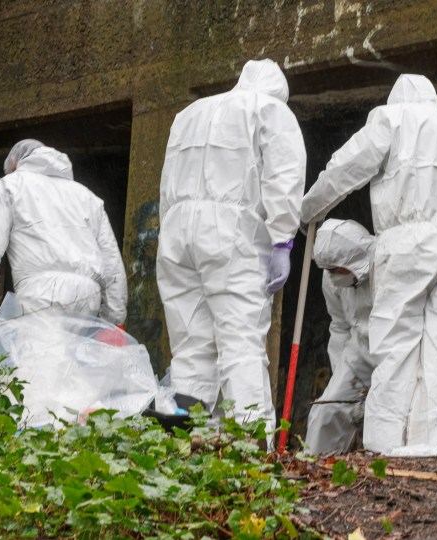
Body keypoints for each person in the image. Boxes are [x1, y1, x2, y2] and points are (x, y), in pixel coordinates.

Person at [300, 74, 437, 455]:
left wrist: (308, 211)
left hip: (408, 244)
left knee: (397, 347)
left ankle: (384, 448)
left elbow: (346, 168)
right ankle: (426, 445)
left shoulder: (392, 119)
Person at [156, 59, 306, 443]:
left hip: (177, 235)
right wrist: (282, 239)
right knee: (240, 344)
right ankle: (250, 451)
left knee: (190, 349)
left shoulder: (188, 114)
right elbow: (283, 177)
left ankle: (183, 451)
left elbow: (167, 182)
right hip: (231, 235)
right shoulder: (271, 110)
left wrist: (170, 235)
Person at [0, 139, 127, 326]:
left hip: (41, 295)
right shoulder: (88, 197)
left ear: (14, 163)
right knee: (73, 355)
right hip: (88, 296)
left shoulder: (10, 185)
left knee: (39, 355)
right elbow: (112, 260)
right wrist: (114, 318)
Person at [305, 219, 375, 454]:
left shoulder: (384, 266)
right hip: (359, 353)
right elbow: (340, 326)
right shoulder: (332, 279)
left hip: (394, 351)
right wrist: (342, 373)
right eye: (328, 270)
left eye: (337, 270)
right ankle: (314, 470)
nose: (333, 276)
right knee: (327, 410)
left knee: (385, 419)